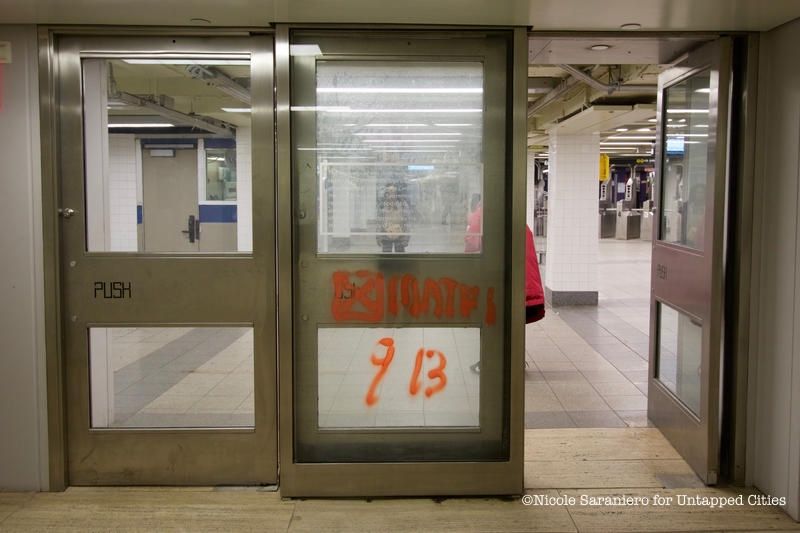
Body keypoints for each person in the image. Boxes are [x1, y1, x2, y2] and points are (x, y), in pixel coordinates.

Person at [470, 224, 544, 374]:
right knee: (511, 324)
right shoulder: (520, 224)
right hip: (523, 285)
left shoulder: (493, 219)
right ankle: (514, 361)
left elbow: (472, 243)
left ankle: (490, 362)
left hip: (514, 285)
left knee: (494, 323)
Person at [376, 183, 411, 253]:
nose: (391, 195)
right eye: (389, 192)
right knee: (386, 258)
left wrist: (406, 238)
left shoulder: (403, 205)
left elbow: (407, 222)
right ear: (386, 194)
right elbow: (379, 222)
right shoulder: (382, 205)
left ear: (396, 194)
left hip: (400, 235)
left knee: (399, 259)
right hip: (386, 236)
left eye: (393, 192)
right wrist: (378, 237)